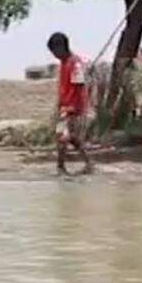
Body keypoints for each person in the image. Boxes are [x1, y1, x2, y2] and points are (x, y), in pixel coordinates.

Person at [48, 32, 93, 176]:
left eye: (55, 51)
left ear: (61, 47)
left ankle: (61, 168)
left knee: (62, 136)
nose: (55, 55)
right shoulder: (64, 63)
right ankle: (88, 163)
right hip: (65, 106)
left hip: (73, 107)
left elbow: (79, 86)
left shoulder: (75, 63)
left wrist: (72, 107)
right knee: (71, 137)